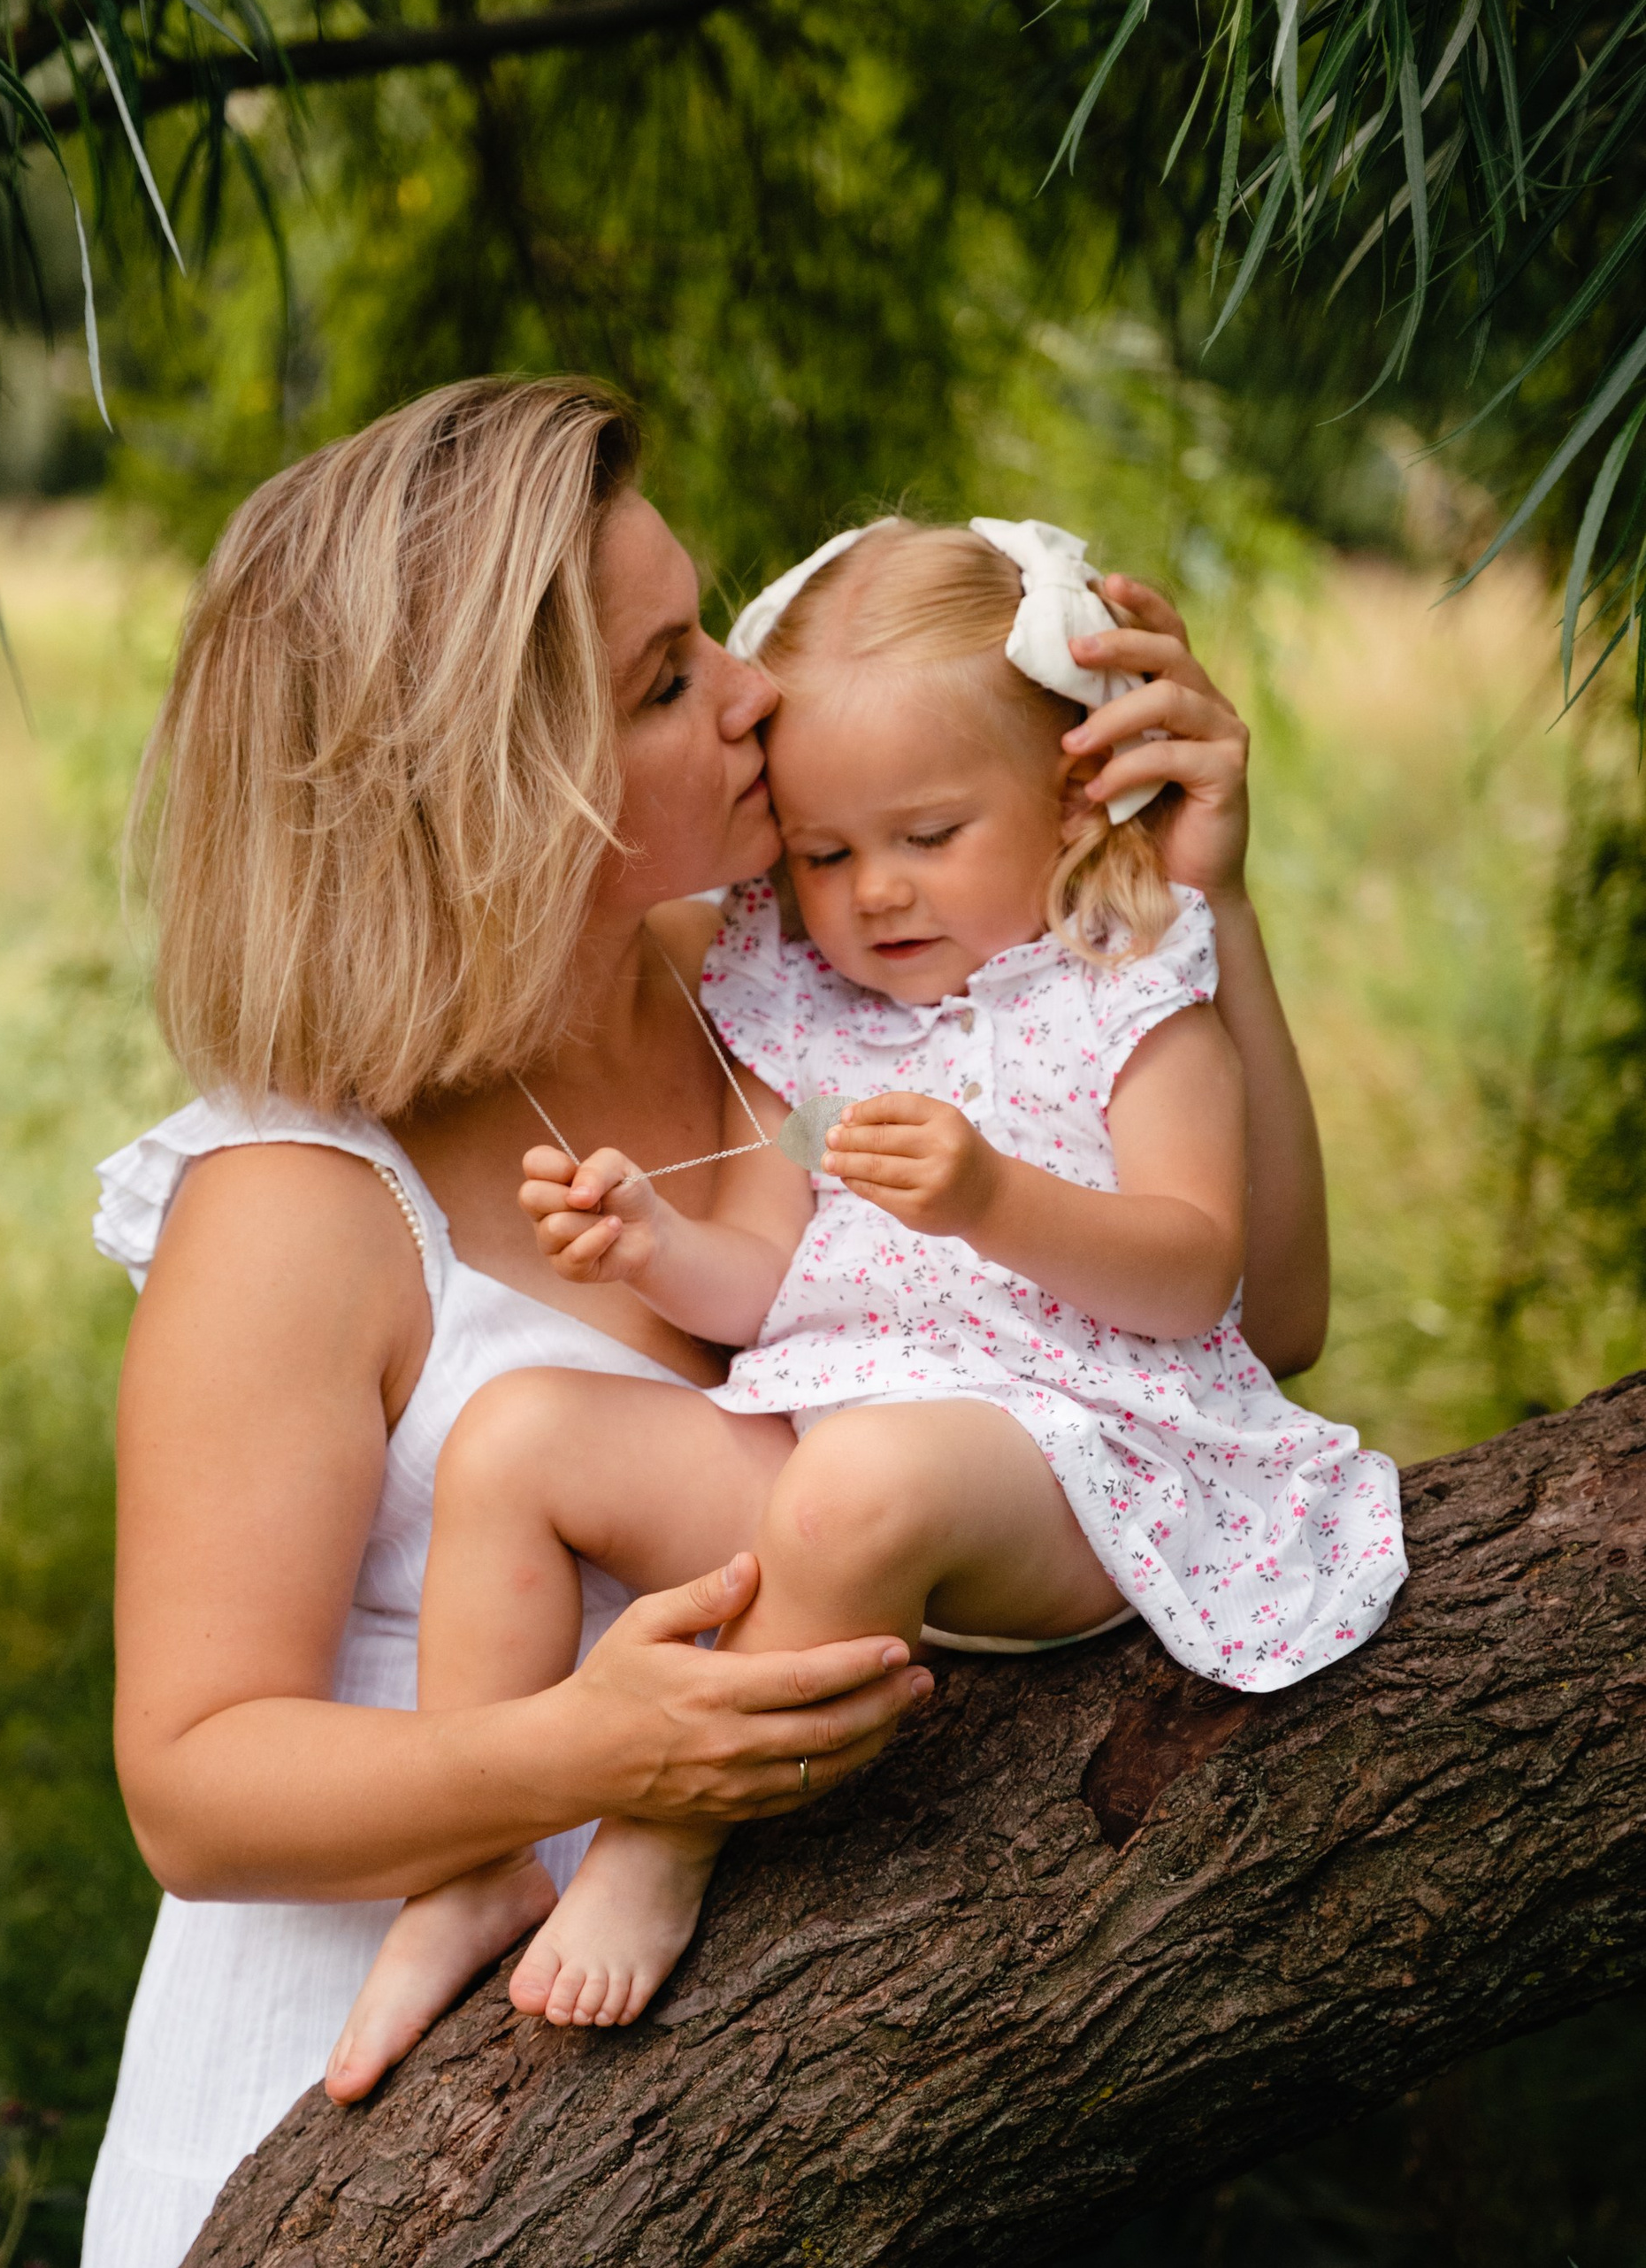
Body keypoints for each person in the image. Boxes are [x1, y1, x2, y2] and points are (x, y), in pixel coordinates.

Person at [80, 385, 1331, 2266]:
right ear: (498, 785)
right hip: (330, 2121)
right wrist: (588, 1757)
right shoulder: (292, 1206)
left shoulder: (796, 979)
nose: (754, 694)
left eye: (710, 625)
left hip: (730, 2133)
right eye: (669, 680)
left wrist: (1195, 914)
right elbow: (191, 1788)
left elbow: (1264, 1316)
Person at [326, 511, 1403, 2100]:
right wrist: (647, 1243)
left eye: (928, 834)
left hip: (1068, 1458)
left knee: (869, 1478)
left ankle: (661, 1836)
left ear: (1069, 792)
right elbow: (770, 1277)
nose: (875, 893)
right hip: (831, 1458)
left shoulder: (1127, 986)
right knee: (517, 1437)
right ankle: (474, 1862)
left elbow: (1199, 1277)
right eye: (827, 855)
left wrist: (992, 1201)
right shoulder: (803, 1004)